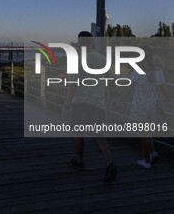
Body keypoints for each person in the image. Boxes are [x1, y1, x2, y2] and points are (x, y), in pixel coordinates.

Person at [62, 31, 117, 183]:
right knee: (100, 136)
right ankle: (109, 164)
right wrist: (111, 99)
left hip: (80, 102)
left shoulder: (77, 60)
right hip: (99, 103)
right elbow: (111, 81)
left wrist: (66, 105)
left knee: (78, 134)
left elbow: (73, 85)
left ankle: (80, 162)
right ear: (92, 41)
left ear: (79, 43)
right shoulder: (102, 59)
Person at [122, 45, 172, 168]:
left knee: (143, 133)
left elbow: (131, 87)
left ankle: (146, 160)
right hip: (153, 102)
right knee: (147, 131)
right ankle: (153, 153)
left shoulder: (138, 70)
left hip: (140, 103)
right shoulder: (158, 70)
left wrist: (120, 98)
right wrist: (169, 100)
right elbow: (163, 87)